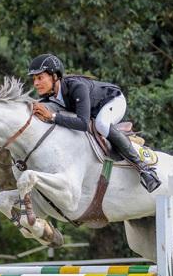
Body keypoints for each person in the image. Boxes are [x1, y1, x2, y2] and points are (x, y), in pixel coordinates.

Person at [28, 53, 161, 193]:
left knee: (101, 124)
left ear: (54, 76)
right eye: (34, 79)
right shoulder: (49, 96)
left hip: (113, 101)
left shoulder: (76, 87)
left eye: (40, 77)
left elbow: (83, 124)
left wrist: (52, 116)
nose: (36, 83)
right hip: (94, 110)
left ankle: (145, 169)